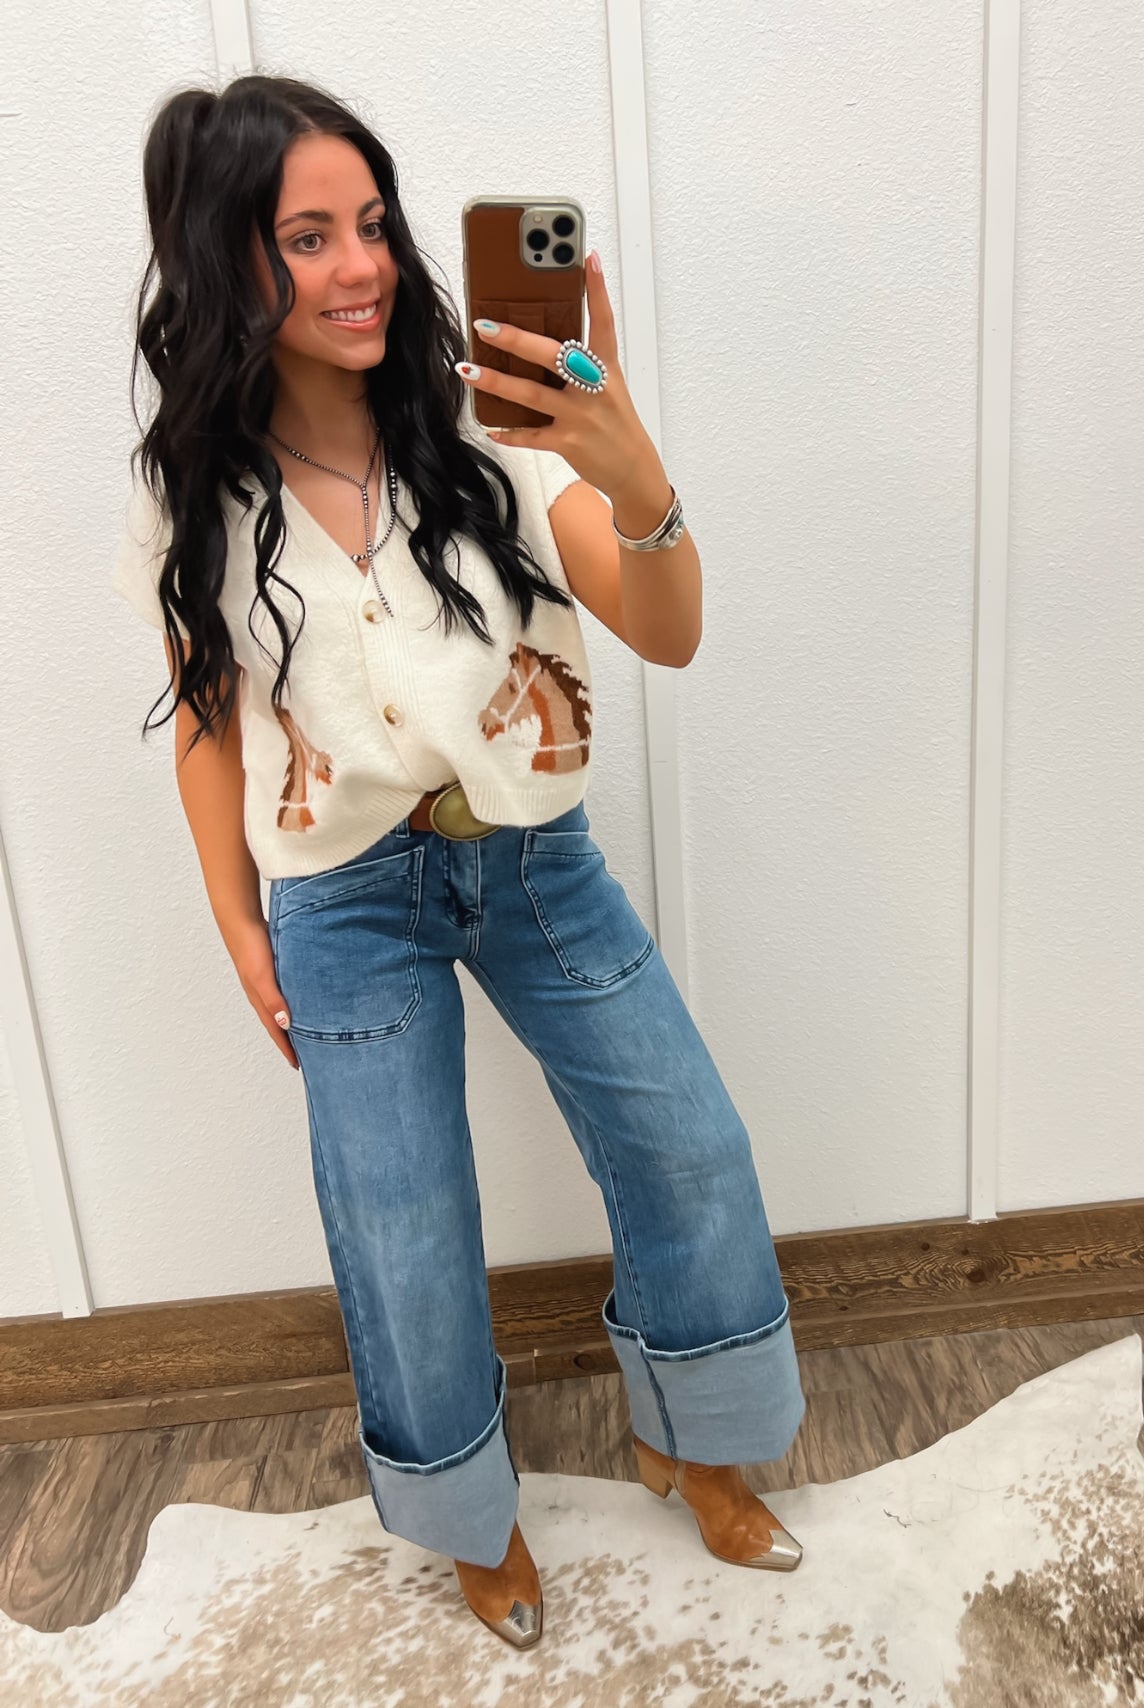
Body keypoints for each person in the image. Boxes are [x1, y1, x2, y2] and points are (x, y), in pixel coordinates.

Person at [112, 72, 806, 1651]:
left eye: (372, 223)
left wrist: (630, 469)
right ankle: (472, 1520)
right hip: (345, 905)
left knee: (689, 1147)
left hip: (536, 863)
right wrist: (236, 923)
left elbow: (670, 636)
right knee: (404, 1230)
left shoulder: (495, 431)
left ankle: (692, 1444)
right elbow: (208, 720)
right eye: (307, 237)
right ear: (225, 259)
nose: (364, 264)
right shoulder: (195, 500)